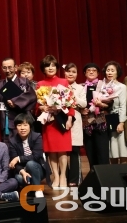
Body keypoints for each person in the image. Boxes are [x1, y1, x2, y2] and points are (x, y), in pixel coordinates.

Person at [35, 55, 74, 189]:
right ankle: (56, 177)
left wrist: (70, 118)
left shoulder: (63, 82)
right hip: (49, 121)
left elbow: (70, 102)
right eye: (47, 65)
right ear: (43, 68)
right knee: (51, 150)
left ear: (57, 67)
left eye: (53, 65)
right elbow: (37, 105)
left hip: (61, 120)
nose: (50, 68)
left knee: (62, 150)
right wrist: (42, 107)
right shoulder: (40, 84)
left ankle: (63, 176)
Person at [0, 58, 37, 142]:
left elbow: (32, 97)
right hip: (5, 121)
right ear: (2, 68)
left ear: (15, 68)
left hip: (22, 120)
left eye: (10, 67)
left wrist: (15, 101)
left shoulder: (24, 82)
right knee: (7, 146)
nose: (7, 70)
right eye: (5, 68)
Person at [80, 62, 110, 170]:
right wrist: (81, 110)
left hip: (100, 121)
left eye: (94, 70)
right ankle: (94, 173)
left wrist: (101, 104)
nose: (91, 72)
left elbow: (110, 103)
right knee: (90, 151)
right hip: (86, 122)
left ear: (98, 73)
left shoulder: (104, 86)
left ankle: (104, 174)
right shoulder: (81, 87)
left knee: (102, 150)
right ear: (85, 73)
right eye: (89, 70)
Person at [8, 113, 49, 188]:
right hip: (23, 169)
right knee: (19, 178)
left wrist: (18, 158)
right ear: (16, 127)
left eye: (25, 125)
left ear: (30, 126)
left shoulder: (37, 137)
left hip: (37, 168)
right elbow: (13, 162)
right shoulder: (12, 141)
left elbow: (36, 157)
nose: (22, 128)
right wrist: (22, 172)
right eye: (19, 125)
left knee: (30, 164)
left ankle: (37, 190)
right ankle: (33, 187)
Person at [63, 63, 87, 186]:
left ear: (77, 74)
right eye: (68, 71)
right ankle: (64, 178)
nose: (71, 74)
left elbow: (84, 103)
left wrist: (72, 95)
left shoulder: (80, 88)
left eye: (73, 72)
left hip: (75, 121)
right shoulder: (60, 85)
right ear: (64, 73)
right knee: (62, 151)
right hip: (61, 119)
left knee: (74, 150)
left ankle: (74, 179)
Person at [101, 61, 127, 164]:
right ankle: (114, 171)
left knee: (121, 146)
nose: (109, 72)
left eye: (112, 70)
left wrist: (121, 122)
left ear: (117, 72)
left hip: (118, 118)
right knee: (111, 147)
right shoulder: (102, 86)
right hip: (106, 118)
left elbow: (123, 105)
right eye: (108, 70)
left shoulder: (122, 87)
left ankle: (124, 171)